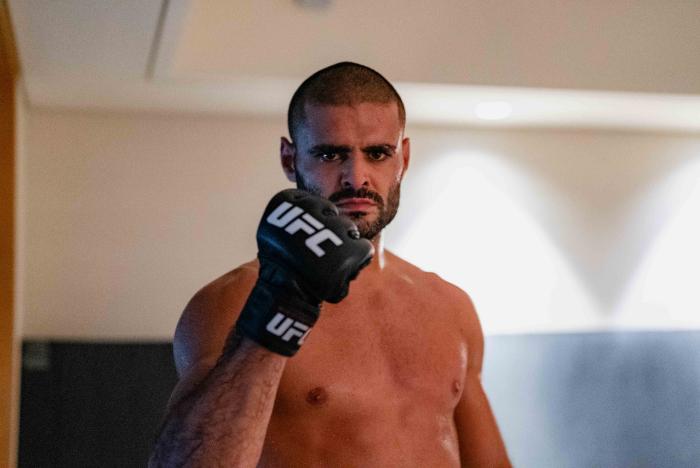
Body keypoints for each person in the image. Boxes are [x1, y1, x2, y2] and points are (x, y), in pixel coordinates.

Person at [149, 62, 511, 467]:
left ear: (403, 158)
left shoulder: (450, 306)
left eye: (377, 153)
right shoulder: (229, 303)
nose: (356, 177)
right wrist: (274, 317)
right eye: (329, 154)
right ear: (290, 159)